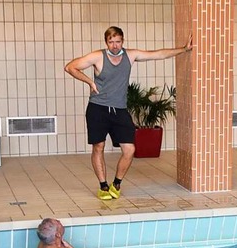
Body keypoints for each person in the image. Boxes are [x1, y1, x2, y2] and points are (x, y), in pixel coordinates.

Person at [64, 26, 193, 200]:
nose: (115, 46)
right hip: (97, 108)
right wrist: (89, 82)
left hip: (120, 109)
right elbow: (70, 67)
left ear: (123, 41)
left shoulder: (130, 55)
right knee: (98, 147)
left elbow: (157, 54)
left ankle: (116, 183)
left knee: (129, 149)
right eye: (111, 42)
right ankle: (103, 186)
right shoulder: (97, 56)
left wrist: (184, 49)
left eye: (118, 42)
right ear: (106, 42)